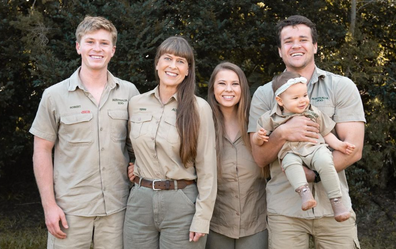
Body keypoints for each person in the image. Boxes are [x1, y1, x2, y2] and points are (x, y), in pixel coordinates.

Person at [249, 15, 365, 248]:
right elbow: (260, 157)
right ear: (280, 51)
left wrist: (314, 174)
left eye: (303, 39)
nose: (296, 45)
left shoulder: (341, 87)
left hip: (334, 208)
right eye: (288, 41)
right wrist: (282, 133)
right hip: (285, 211)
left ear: (315, 46)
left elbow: (354, 149)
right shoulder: (264, 95)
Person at [30, 16, 139, 248]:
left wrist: (137, 166)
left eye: (103, 43)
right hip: (70, 211)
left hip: (117, 210)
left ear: (113, 50)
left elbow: (138, 143)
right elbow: (41, 150)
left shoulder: (129, 93)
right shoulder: (54, 96)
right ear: (78, 47)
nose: (97, 49)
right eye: (90, 42)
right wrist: (49, 206)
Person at [123, 36, 217, 249]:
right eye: (168, 58)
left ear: (187, 70)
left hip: (181, 202)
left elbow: (207, 169)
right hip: (139, 202)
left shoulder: (199, 108)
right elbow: (132, 147)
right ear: (157, 64)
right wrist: (134, 165)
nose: (173, 66)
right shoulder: (136, 104)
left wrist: (202, 218)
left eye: (181, 61)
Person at [252, 71, 355, 222]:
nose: (302, 101)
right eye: (295, 98)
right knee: (289, 163)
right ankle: (305, 193)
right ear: (280, 101)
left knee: (326, 161)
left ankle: (336, 201)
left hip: (315, 147)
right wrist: (258, 137)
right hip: (290, 151)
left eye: (304, 96)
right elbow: (259, 140)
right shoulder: (271, 117)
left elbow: (326, 133)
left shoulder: (313, 112)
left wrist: (340, 145)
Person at [205, 62, 268, 249]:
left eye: (235, 83)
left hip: (256, 223)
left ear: (243, 88)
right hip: (216, 223)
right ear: (213, 89)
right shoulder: (202, 125)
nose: (228, 89)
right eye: (222, 83)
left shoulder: (258, 125)